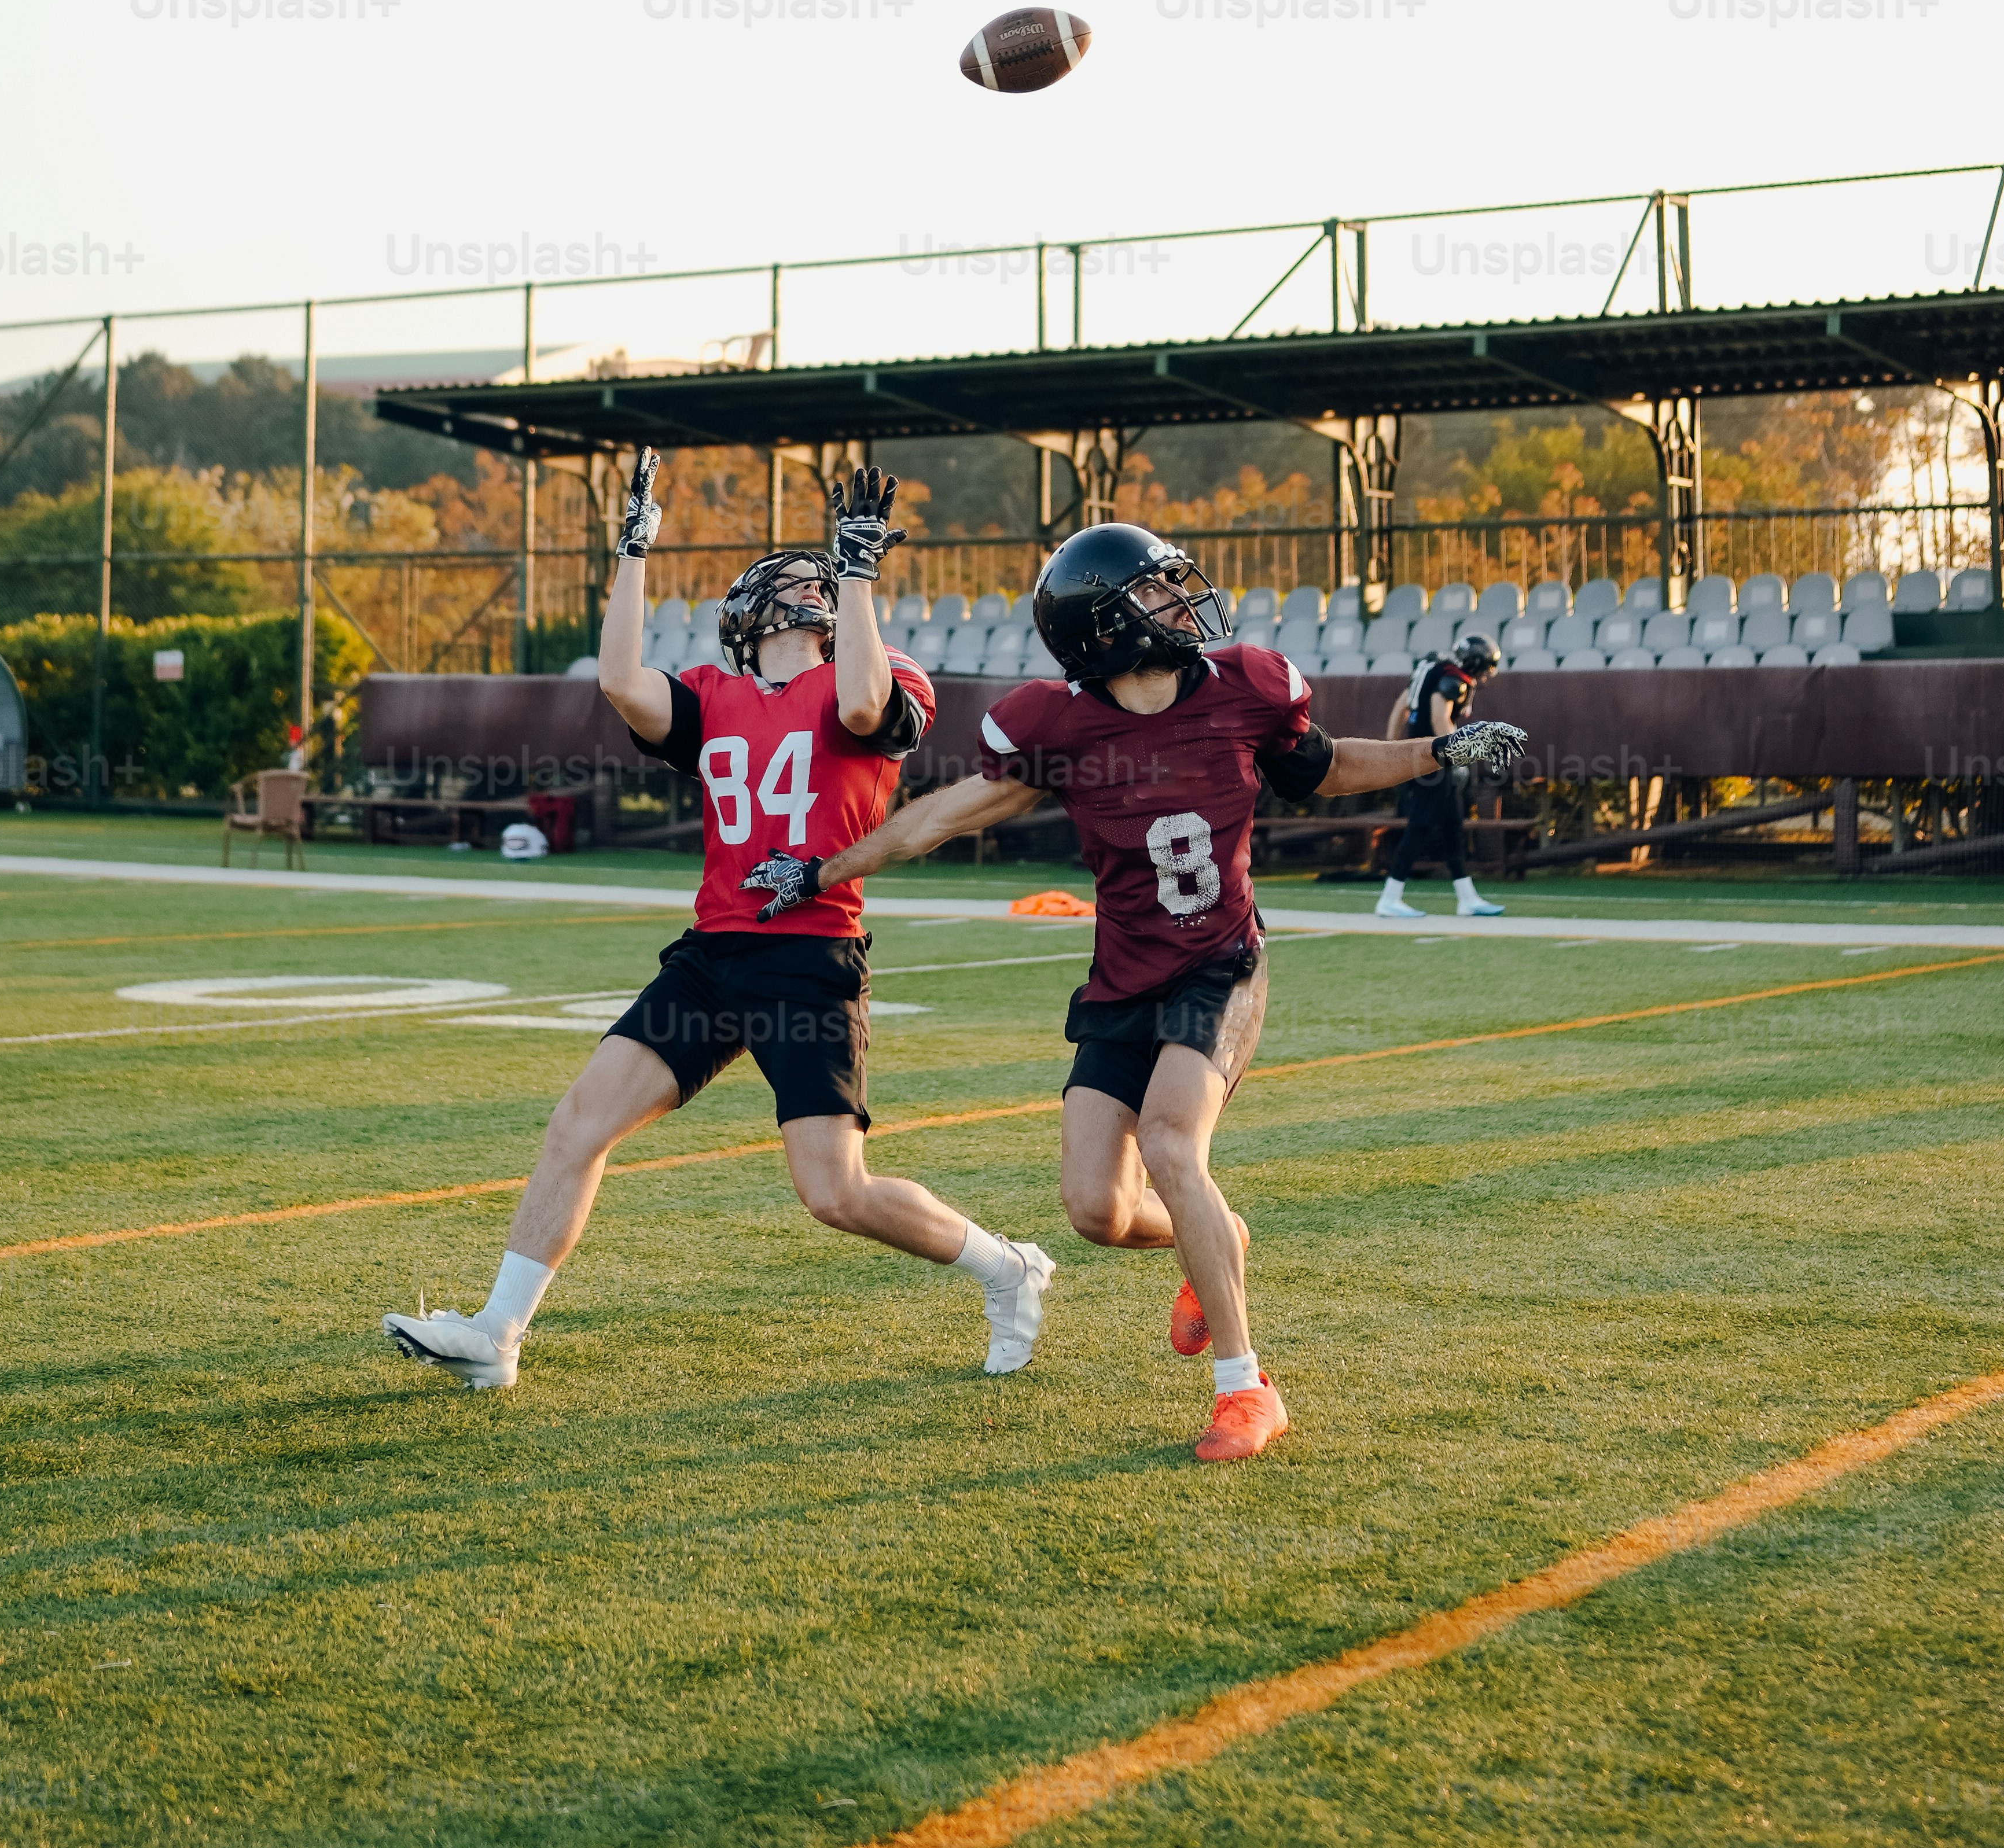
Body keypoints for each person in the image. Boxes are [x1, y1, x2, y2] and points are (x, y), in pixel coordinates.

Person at [741, 525, 1526, 1463]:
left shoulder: (1243, 688)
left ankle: (1245, 1385)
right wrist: (824, 869)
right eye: (1153, 593)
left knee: (1167, 1143)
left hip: (1218, 965)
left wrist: (1440, 751)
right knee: (1095, 1212)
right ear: (1104, 629)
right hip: (1121, 979)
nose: (1179, 602)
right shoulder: (1060, 726)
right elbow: (936, 818)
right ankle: (1216, 1236)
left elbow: (1323, 767)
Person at [381, 450, 1056, 1393]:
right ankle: (497, 1332)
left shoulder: (870, 669)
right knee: (576, 1124)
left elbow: (863, 702)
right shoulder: (714, 694)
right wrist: (630, 549)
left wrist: (859, 572)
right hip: (710, 954)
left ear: (794, 609)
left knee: (834, 1192)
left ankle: (1005, 1264)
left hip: (808, 958)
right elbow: (619, 679)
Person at [1377, 629, 1506, 920]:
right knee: (1421, 824)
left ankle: (1467, 897)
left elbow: (1402, 704)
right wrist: (1458, 758)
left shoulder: (1432, 667)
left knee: (1452, 826)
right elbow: (1440, 719)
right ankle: (1390, 896)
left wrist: (1391, 744)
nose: (1486, 675)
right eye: (1485, 668)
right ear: (1475, 664)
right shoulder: (1452, 679)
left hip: (1421, 755)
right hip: (1433, 759)